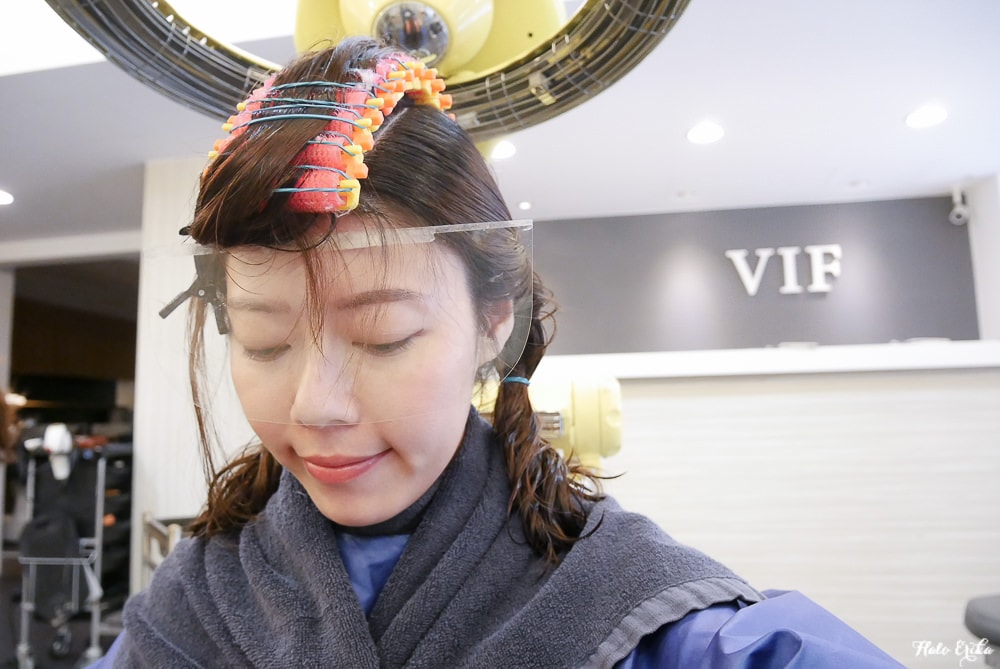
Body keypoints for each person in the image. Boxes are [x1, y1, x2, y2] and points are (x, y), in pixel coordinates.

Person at [93, 37, 904, 668]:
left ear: (492, 322)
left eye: (383, 337)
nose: (315, 406)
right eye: (265, 342)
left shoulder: (635, 612)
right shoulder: (190, 609)